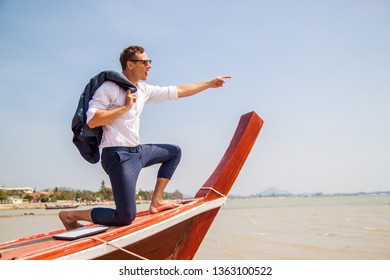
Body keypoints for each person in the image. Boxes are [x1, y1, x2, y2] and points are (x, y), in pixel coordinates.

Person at [59, 45, 231, 230]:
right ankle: (70, 215)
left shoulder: (142, 90)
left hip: (138, 151)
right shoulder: (109, 88)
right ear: (130, 64)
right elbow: (92, 121)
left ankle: (156, 201)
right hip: (118, 156)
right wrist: (124, 108)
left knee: (174, 152)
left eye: (150, 62)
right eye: (145, 62)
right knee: (124, 217)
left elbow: (178, 90)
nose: (149, 66)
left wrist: (209, 84)